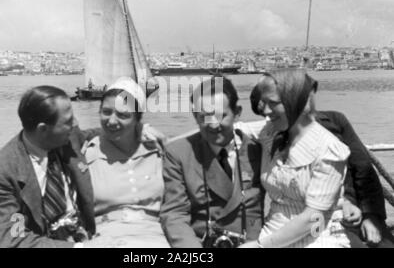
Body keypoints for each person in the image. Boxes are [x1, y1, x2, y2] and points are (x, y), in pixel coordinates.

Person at [249, 77, 394, 248]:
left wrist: (370, 216)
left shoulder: (335, 122)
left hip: (343, 217)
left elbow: (363, 168)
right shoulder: (273, 132)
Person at [0, 85, 96, 248]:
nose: (75, 123)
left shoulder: (68, 137)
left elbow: (104, 133)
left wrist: (139, 129)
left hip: (82, 236)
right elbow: (12, 240)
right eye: (68, 121)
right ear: (43, 129)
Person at [240, 69, 351, 248]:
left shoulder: (329, 150)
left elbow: (313, 218)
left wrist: (260, 246)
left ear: (295, 102)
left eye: (273, 103)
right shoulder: (270, 131)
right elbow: (228, 128)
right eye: (264, 102)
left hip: (317, 238)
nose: (266, 111)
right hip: (271, 233)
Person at [160, 75, 265, 248]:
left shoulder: (257, 151)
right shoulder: (179, 154)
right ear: (195, 117)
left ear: (237, 113)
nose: (214, 125)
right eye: (204, 117)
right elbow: (175, 215)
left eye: (221, 116)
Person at [82, 77, 170, 248]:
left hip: (159, 237)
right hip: (106, 239)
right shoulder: (87, 155)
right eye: (106, 112)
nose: (112, 121)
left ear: (138, 119)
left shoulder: (159, 150)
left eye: (123, 115)